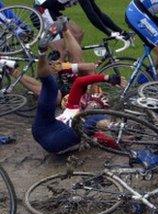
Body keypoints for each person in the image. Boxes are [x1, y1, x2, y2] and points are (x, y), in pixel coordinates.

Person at [32, 26, 120, 154]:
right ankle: (41, 53)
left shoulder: (92, 124)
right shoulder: (73, 107)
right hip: (44, 127)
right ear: (85, 102)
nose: (92, 106)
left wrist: (122, 140)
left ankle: (116, 127)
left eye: (95, 106)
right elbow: (79, 82)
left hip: (58, 141)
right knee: (50, 86)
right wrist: (107, 77)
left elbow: (109, 142)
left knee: (89, 122)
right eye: (93, 104)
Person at [34, 0, 127, 61]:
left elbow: (98, 13)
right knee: (61, 51)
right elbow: (91, 16)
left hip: (52, 10)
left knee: (78, 33)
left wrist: (121, 31)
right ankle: (52, 82)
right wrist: (110, 33)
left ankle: (70, 71)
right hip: (42, 11)